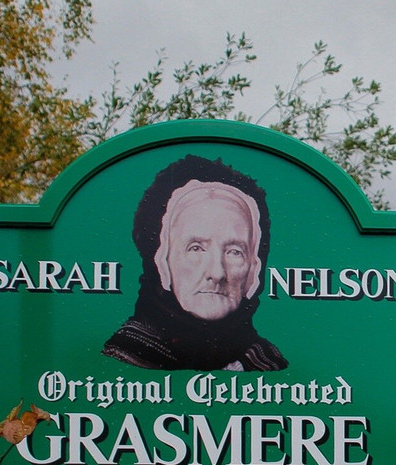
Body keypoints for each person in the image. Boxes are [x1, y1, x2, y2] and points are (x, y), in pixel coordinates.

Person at [103, 155, 287, 371]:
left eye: (234, 252)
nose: (217, 273)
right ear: (163, 262)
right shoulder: (124, 356)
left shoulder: (268, 364)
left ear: (253, 271)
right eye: (196, 248)